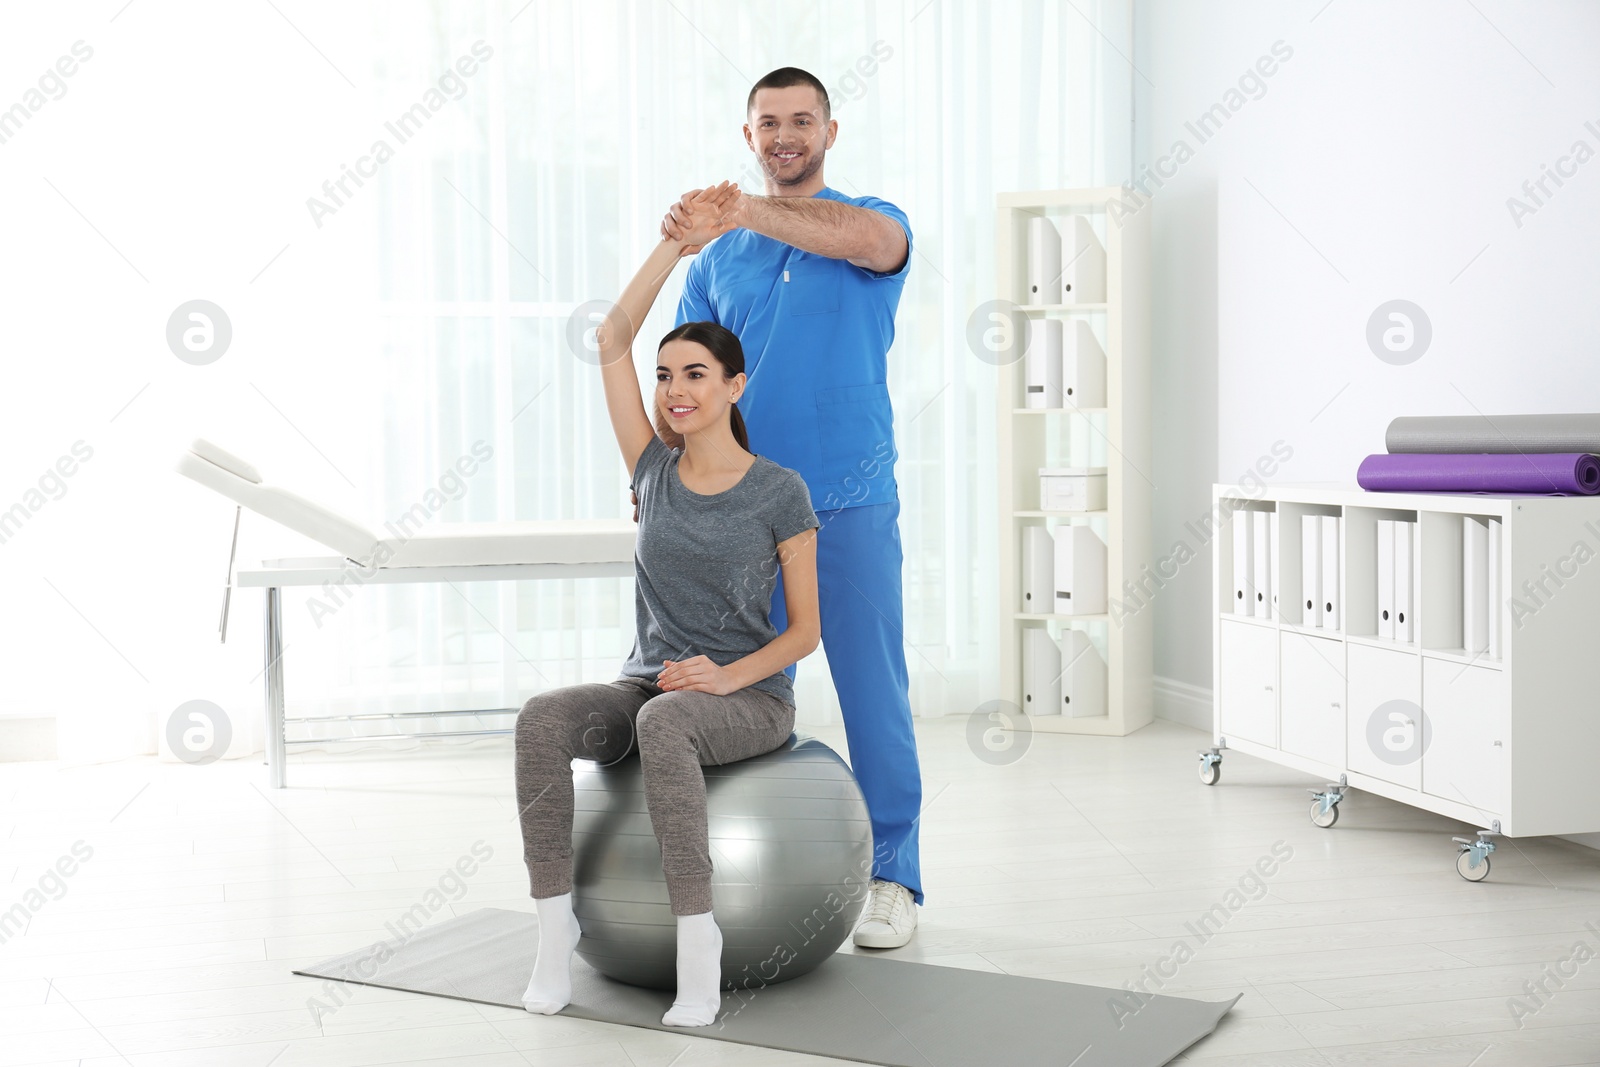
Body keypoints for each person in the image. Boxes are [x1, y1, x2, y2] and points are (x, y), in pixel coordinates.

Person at [514, 182, 822, 1028]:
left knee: (667, 722)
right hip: (650, 683)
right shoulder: (652, 469)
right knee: (543, 717)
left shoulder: (779, 493)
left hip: (747, 698)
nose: (675, 389)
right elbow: (610, 336)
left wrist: (723, 679)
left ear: (733, 385)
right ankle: (554, 927)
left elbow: (806, 630)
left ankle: (698, 940)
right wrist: (676, 248)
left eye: (695, 374)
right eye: (665, 375)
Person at [658, 67, 923, 949]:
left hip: (847, 498)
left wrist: (737, 209)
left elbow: (858, 238)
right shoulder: (720, 261)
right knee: (739, 688)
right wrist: (660, 480)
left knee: (869, 686)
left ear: (829, 132)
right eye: (768, 122)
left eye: (800, 121)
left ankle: (894, 876)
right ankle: (747, 866)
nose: (784, 135)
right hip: (744, 510)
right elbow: (694, 384)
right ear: (747, 135)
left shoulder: (870, 225)